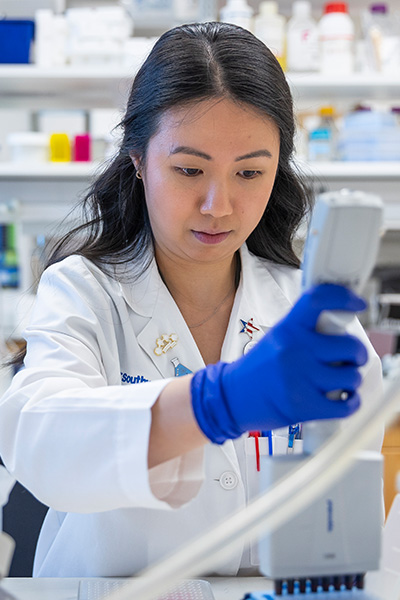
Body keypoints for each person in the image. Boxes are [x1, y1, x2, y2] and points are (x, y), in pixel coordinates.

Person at [0, 22, 382, 577]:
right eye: (188, 170)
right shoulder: (83, 291)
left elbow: (353, 500)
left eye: (250, 171)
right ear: (137, 158)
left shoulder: (310, 312)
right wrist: (215, 403)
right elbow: (38, 436)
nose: (218, 205)